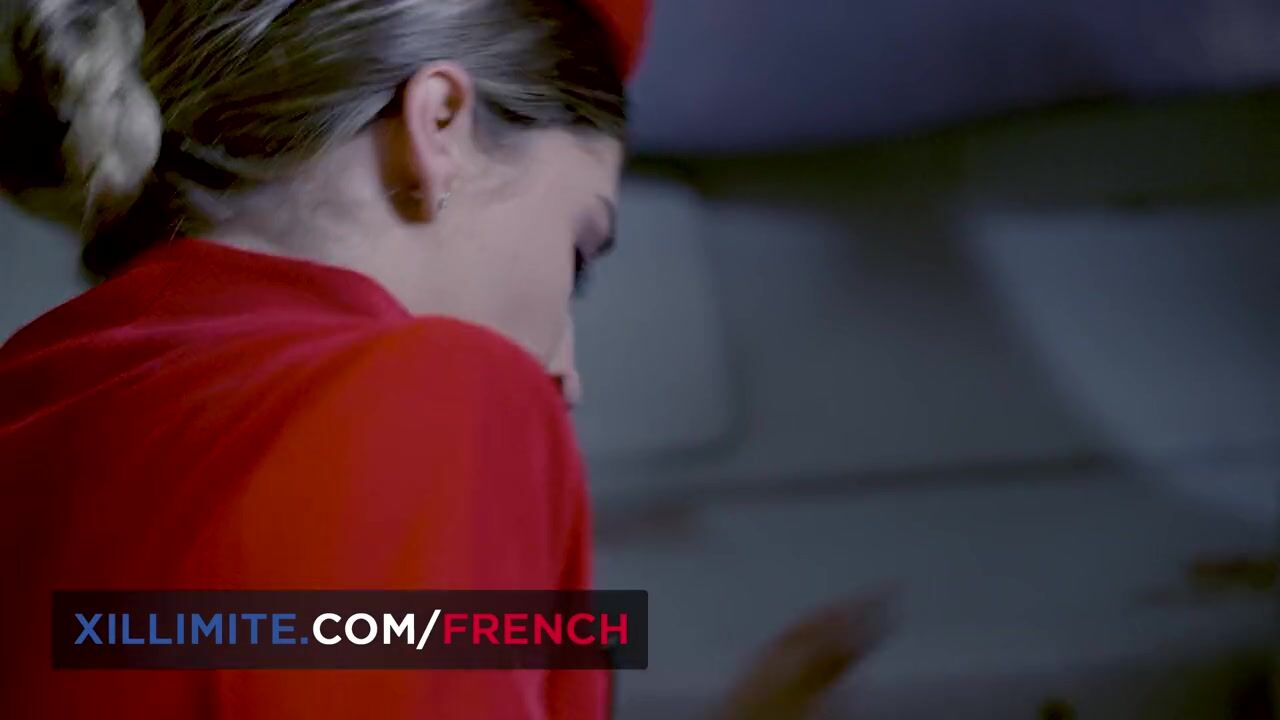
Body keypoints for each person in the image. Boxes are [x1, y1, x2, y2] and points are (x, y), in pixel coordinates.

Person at [0, 1, 888, 717]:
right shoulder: (429, 394)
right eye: (577, 254)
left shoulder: (37, 399)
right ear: (441, 127)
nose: (564, 371)